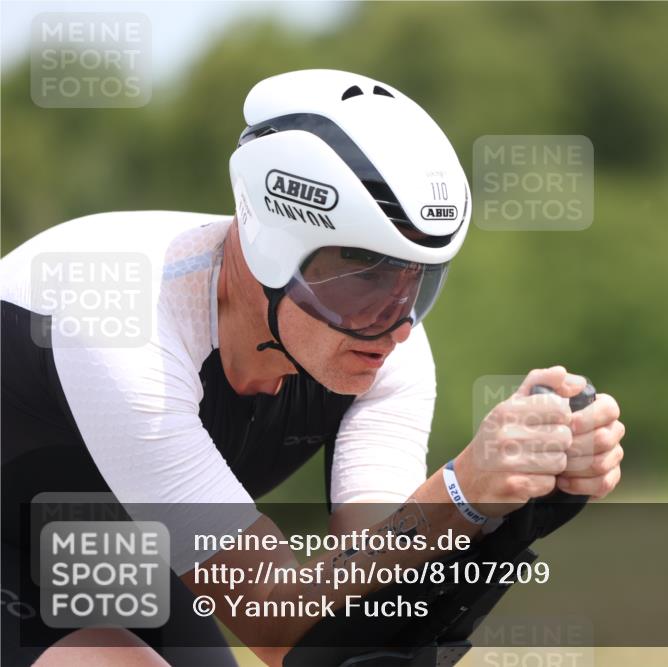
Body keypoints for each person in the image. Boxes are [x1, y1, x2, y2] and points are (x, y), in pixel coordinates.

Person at [0, 69, 625, 667]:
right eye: (363, 277)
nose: (397, 324)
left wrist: (506, 506)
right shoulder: (126, 330)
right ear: (271, 248)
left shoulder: (388, 342)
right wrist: (460, 489)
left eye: (419, 281)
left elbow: (367, 600)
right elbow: (277, 626)